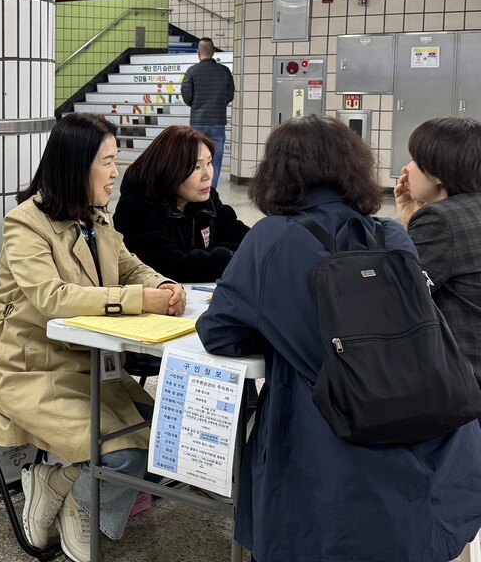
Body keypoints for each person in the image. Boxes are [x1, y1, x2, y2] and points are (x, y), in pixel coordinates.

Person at [195, 115, 481, 562]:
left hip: (329, 461)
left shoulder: (272, 238)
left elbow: (220, 333)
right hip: (433, 452)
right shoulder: (390, 234)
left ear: (277, 172)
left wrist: (282, 333)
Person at [0, 113, 186, 562]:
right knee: (124, 452)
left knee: (168, 435)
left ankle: (57, 486)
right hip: (32, 369)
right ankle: (78, 504)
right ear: (76, 166)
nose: (115, 172)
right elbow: (52, 296)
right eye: (107, 161)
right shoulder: (25, 223)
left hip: (90, 364)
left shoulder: (96, 218)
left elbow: (130, 264)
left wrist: (162, 285)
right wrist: (137, 299)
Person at [394, 116, 481, 388]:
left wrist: (409, 228)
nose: (408, 168)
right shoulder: (468, 211)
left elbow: (400, 294)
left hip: (464, 381)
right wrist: (412, 220)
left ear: (439, 174)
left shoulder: (440, 220)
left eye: (416, 161)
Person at [114, 125, 249, 282]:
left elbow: (248, 240)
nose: (207, 175)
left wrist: (208, 256)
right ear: (170, 169)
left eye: (209, 163)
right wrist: (226, 256)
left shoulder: (204, 198)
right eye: (197, 167)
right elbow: (172, 266)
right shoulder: (136, 208)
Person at [180, 38, 234, 187]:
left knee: (196, 159)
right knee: (215, 161)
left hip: (197, 123)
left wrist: (196, 105)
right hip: (217, 123)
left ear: (198, 53)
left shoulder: (192, 71)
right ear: (214, 52)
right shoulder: (224, 71)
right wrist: (219, 104)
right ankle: (211, 194)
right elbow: (230, 94)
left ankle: (196, 189)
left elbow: (186, 95)